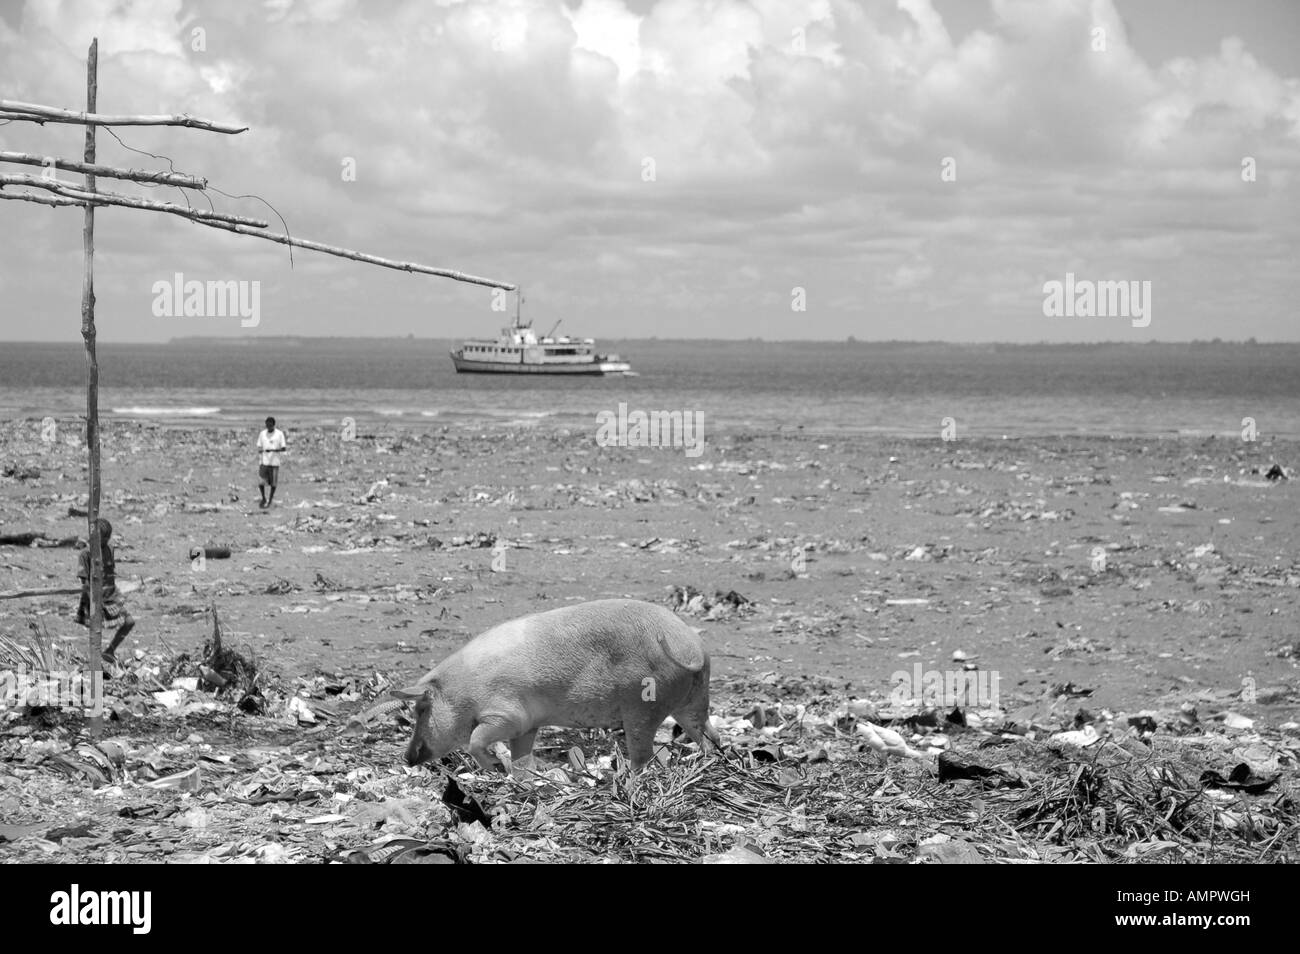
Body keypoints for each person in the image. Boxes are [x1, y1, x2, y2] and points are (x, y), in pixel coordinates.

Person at [76, 517, 135, 662]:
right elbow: (84, 580)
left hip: (111, 595)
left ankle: (110, 651)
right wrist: (92, 599)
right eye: (103, 538)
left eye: (107, 538)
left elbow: (110, 572)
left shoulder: (109, 548)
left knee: (129, 622)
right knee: (96, 631)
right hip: (94, 597)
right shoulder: (86, 554)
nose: (105, 541)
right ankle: (94, 660)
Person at [256, 416, 288, 509]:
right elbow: (259, 445)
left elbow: (283, 448)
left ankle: (270, 500)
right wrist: (261, 450)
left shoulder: (279, 434)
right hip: (264, 461)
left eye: (270, 425)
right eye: (267, 425)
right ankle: (263, 498)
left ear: (273, 425)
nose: (268, 427)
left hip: (274, 462)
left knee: (273, 484)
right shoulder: (262, 434)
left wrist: (273, 450)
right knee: (261, 482)